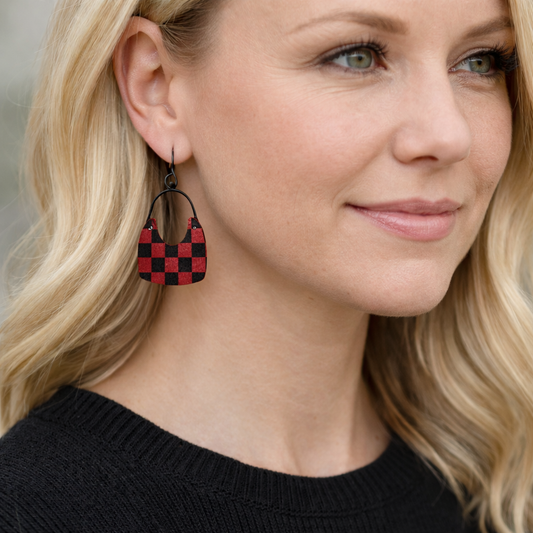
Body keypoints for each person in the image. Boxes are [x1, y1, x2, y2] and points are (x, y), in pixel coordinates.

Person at [0, 0, 530, 531]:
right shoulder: (30, 512)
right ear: (155, 87)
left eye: (481, 60)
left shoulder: (503, 496)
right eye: (357, 56)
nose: (449, 136)